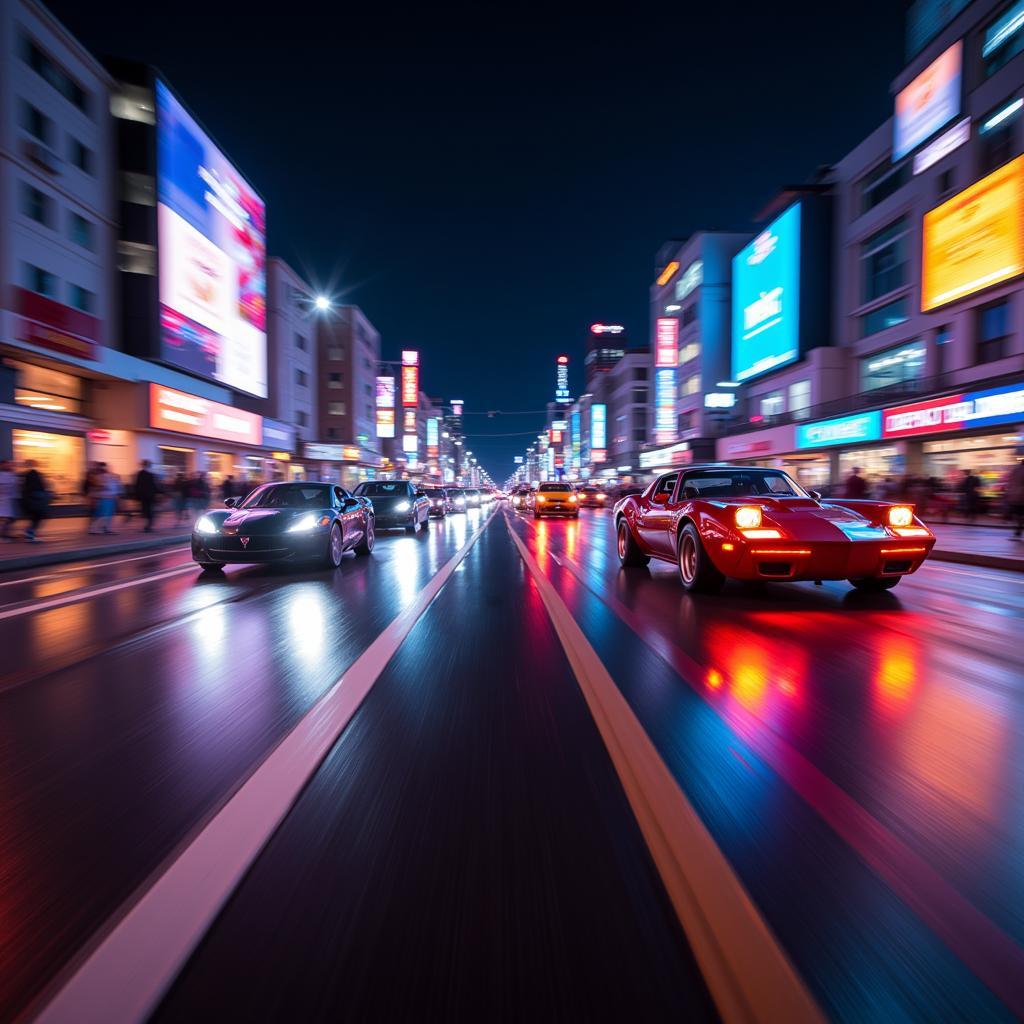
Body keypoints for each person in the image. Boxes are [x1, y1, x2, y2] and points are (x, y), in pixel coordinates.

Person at [21, 460, 49, 543]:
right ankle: (29, 533)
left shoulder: (27, 474)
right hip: (35, 499)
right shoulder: (33, 474)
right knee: (38, 516)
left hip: (31, 499)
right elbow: (39, 486)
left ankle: (29, 532)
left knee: (36, 517)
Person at [91, 463, 120, 535]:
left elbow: (115, 487)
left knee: (107, 514)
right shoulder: (100, 477)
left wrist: (115, 495)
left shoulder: (111, 477)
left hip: (109, 498)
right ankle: (95, 529)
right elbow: (98, 487)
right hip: (104, 498)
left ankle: (106, 528)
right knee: (103, 514)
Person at [135, 460, 159, 533]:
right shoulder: (151, 474)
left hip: (145, 496)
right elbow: (154, 486)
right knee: (148, 511)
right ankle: (148, 526)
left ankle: (148, 526)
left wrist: (137, 495)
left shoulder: (140, 474)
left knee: (146, 511)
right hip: (149, 496)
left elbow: (137, 486)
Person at [1007, 457, 1024, 540]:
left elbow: (1010, 483)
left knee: (1018, 516)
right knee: (1020, 516)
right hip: (1022, 496)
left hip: (1014, 497)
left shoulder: (1015, 470)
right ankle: (1017, 533)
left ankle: (1017, 533)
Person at [0, 460, 17, 540]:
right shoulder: (3, 475)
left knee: (10, 518)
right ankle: (3, 534)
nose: (8, 466)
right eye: (6, 465)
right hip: (3, 499)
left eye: (9, 464)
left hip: (9, 499)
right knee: (8, 518)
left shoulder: (11, 474)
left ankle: (4, 534)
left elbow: (14, 485)